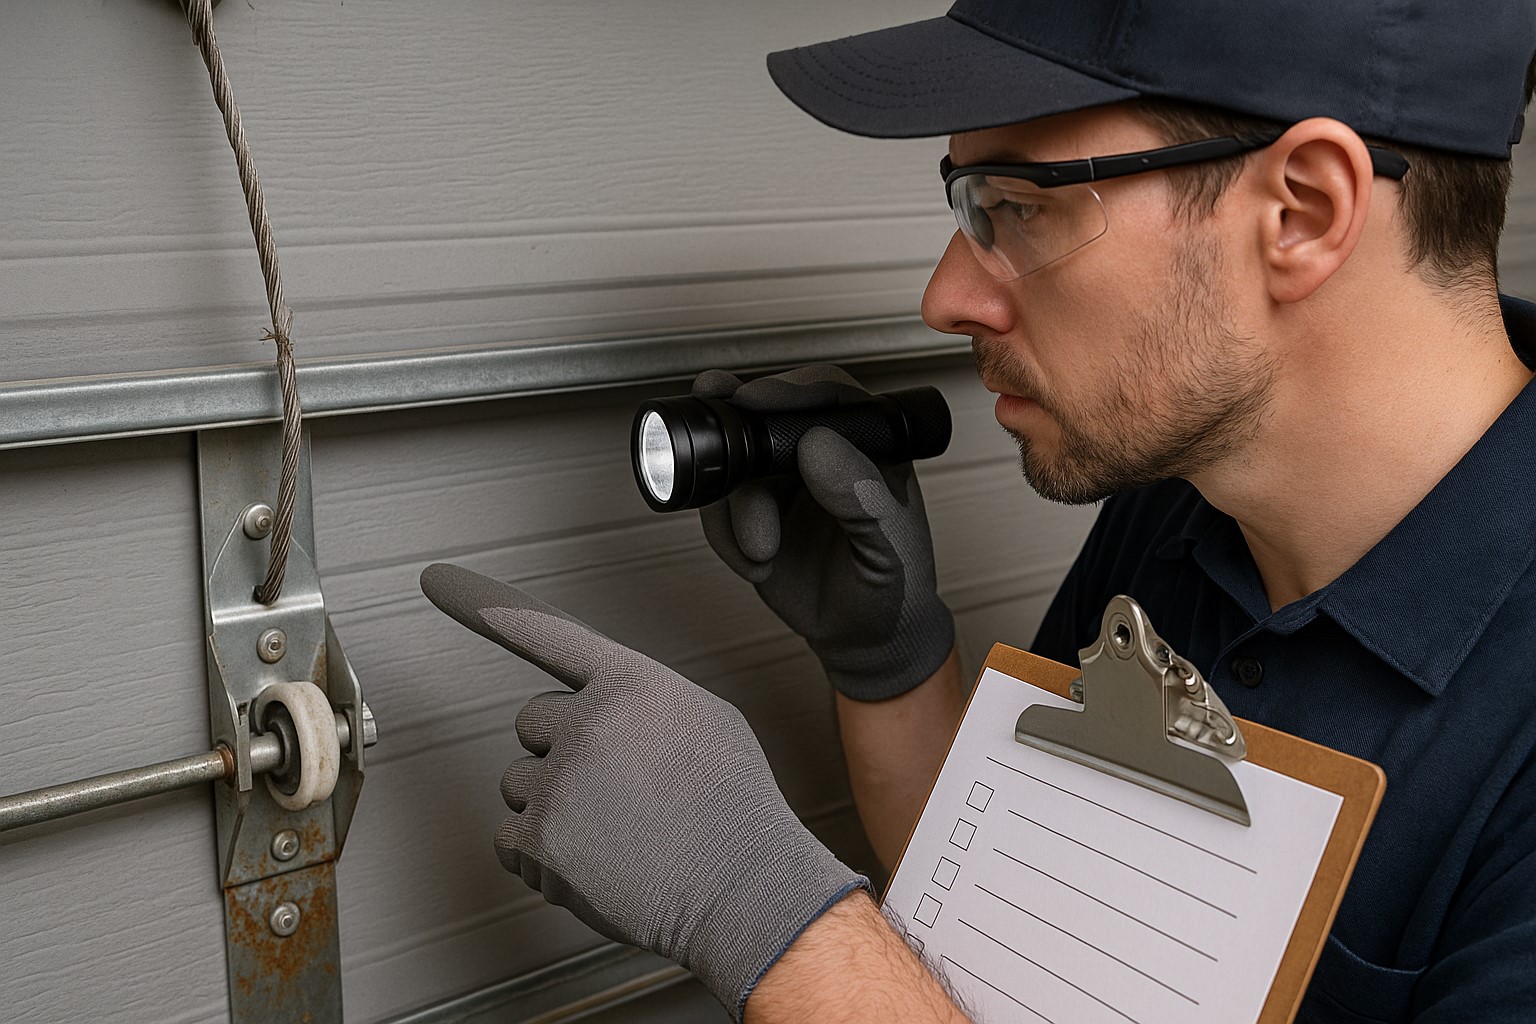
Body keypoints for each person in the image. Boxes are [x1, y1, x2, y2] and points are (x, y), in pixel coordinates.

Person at [420, 0, 1536, 1020]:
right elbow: (1025, 970)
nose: (946, 295)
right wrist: (894, 674)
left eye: (1017, 206)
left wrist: (771, 922)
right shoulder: (1190, 501)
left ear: (1301, 210)